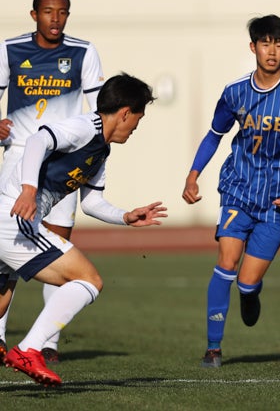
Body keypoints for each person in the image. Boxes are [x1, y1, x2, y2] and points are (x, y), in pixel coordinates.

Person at [182, 15, 280, 368]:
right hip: (238, 189)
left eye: (279, 44)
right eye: (266, 43)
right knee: (226, 263)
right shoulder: (235, 91)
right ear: (253, 47)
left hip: (278, 200)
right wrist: (193, 175)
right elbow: (214, 135)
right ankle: (213, 348)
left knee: (248, 282)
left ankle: (249, 294)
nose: (273, 51)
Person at [0, 73, 166, 386]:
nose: (135, 130)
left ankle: (27, 349)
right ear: (125, 113)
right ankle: (29, 349)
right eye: (137, 121)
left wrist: (126, 217)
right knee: (88, 279)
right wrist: (29, 190)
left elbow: (92, 204)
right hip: (14, 218)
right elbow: (39, 139)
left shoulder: (102, 151)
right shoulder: (85, 126)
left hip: (9, 219)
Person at [0, 0, 105, 364]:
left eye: (62, 13)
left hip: (61, 164)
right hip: (18, 162)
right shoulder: (10, 48)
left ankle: (48, 343)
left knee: (58, 246)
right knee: (9, 255)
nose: (55, 20)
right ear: (34, 15)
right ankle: (0, 338)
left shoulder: (83, 52)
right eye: (48, 12)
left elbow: (100, 109)